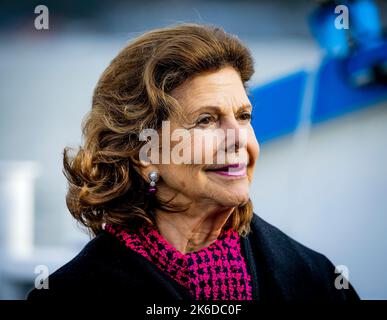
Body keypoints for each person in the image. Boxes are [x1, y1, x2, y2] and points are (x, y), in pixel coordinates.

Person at [27, 23, 359, 301]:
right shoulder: (74, 292)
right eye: (205, 120)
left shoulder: (315, 280)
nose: (238, 138)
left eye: (243, 117)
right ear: (145, 154)